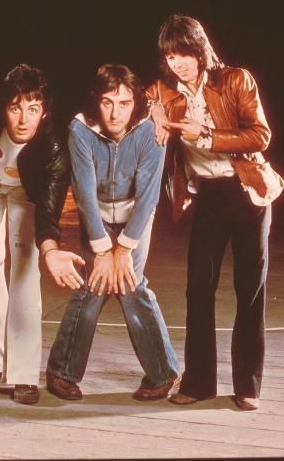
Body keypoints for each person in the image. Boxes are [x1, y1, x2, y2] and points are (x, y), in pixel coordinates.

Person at [147, 14, 284, 411]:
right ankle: (199, 383)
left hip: (247, 193)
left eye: (185, 53)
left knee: (250, 291)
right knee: (198, 290)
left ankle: (247, 387)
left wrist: (206, 136)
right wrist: (155, 110)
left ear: (200, 49)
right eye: (171, 56)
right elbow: (147, 95)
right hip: (208, 197)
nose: (179, 63)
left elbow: (261, 135)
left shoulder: (235, 80)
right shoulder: (164, 89)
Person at [45, 64, 181, 402]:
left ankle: (163, 374)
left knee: (129, 282)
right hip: (98, 218)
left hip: (137, 217)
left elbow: (149, 196)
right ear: (96, 101)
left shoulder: (152, 129)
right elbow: (85, 195)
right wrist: (103, 251)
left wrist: (123, 251)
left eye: (123, 103)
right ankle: (61, 372)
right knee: (93, 283)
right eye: (107, 102)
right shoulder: (80, 129)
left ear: (135, 101)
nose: (115, 112)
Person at [0, 64, 75, 405]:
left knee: (25, 273)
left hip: (26, 191)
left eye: (33, 108)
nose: (24, 119)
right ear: (3, 107)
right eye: (15, 108)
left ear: (45, 110)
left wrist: (51, 248)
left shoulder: (53, 148)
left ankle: (24, 374)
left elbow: (50, 207)